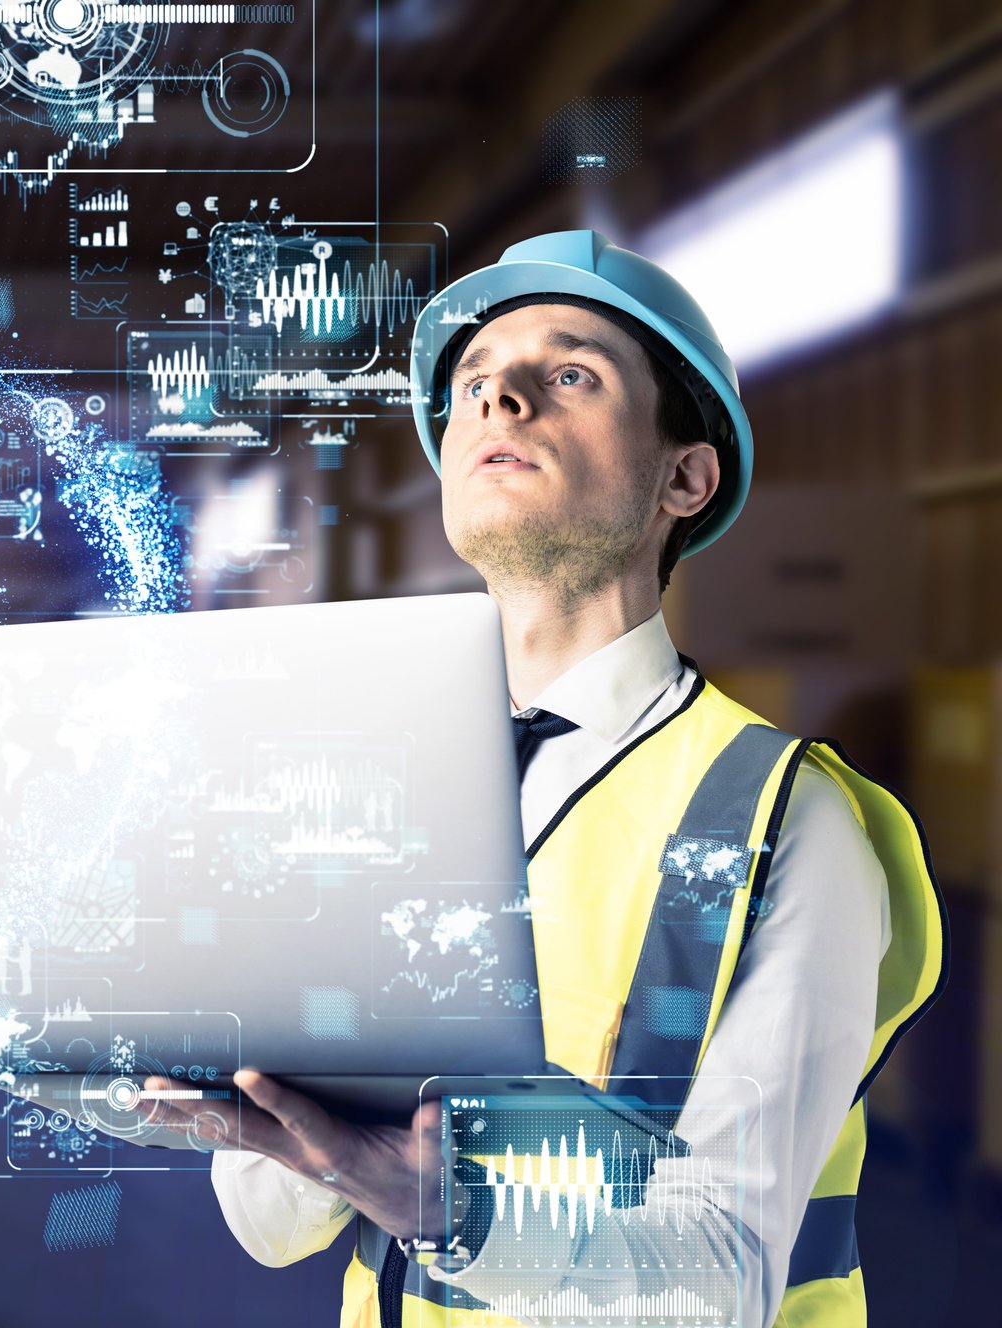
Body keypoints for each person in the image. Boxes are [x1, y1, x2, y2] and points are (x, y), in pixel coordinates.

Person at [143, 232, 946, 1326]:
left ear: (684, 476)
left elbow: (721, 1285)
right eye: (473, 384)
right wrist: (251, 1080)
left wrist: (450, 1206)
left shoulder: (783, 820)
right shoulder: (366, 798)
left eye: (569, 373)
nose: (499, 399)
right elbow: (269, 1225)